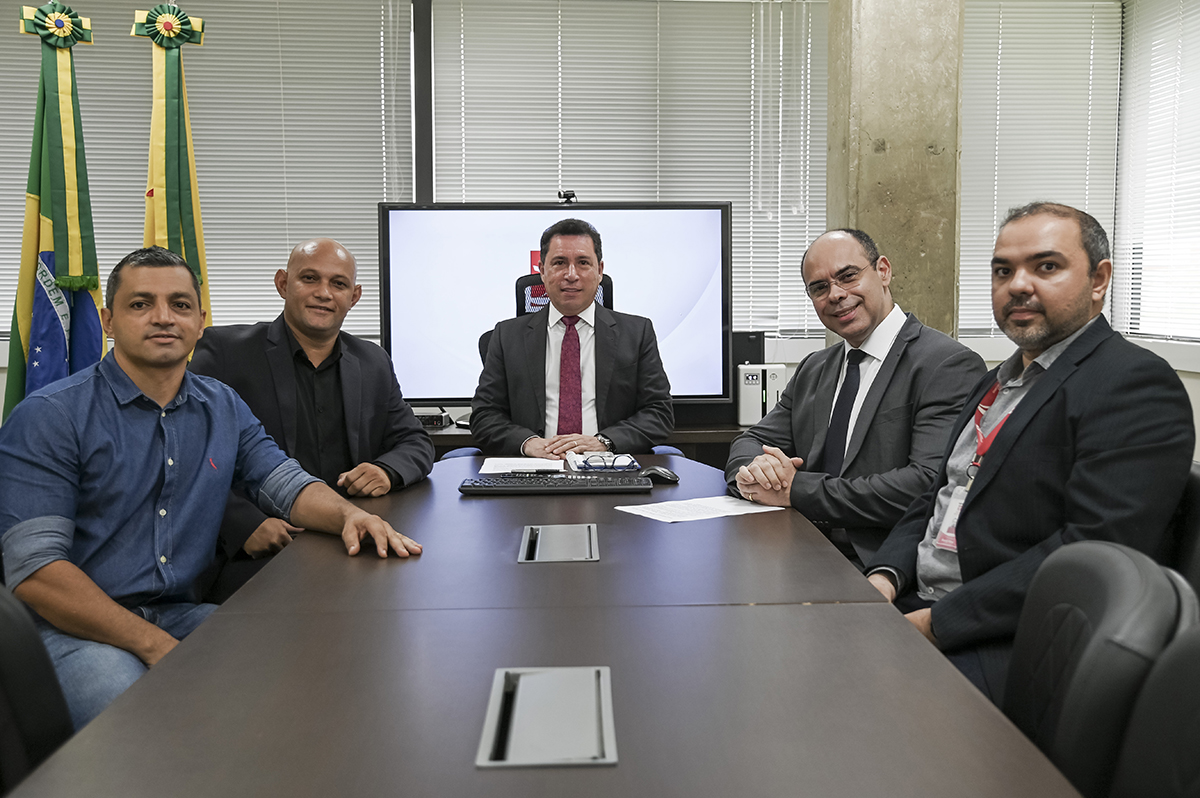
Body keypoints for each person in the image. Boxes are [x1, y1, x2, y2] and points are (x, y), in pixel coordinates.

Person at [0, 247, 422, 729]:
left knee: (312, 678)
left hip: (181, 612)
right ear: (108, 320)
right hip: (77, 629)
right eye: (141, 304)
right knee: (143, 722)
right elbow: (37, 572)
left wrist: (351, 516)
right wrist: (153, 644)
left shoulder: (221, 404)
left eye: (180, 305)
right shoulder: (50, 416)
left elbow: (284, 482)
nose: (163, 318)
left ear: (200, 321)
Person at [864, 202, 1195, 703]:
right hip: (921, 603)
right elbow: (937, 498)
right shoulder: (1000, 379)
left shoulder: (1133, 383)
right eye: (1003, 271)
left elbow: (1092, 548)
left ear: (1099, 280)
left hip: (1012, 640)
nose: (1017, 285)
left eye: (1046, 266)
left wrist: (933, 625)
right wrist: (884, 579)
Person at [189, 238, 433, 598]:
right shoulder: (227, 351)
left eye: (338, 284)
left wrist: (386, 470)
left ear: (354, 296)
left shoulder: (372, 361)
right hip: (262, 547)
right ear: (283, 284)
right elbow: (189, 457)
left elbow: (415, 441)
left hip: (352, 536)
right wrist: (243, 525)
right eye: (309, 279)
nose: (324, 293)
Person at [726, 229, 986, 567]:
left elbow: (925, 483)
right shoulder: (815, 367)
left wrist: (797, 490)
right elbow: (752, 442)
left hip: (883, 564)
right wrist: (755, 472)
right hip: (796, 547)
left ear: (883, 271)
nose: (835, 295)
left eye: (848, 276)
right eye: (819, 288)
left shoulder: (945, 364)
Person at [470, 218, 674, 458]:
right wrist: (528, 444)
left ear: (599, 271)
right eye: (559, 263)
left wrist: (604, 442)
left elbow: (658, 413)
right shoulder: (507, 336)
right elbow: (484, 415)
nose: (571, 274)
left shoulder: (637, 333)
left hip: (608, 465)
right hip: (534, 468)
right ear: (542, 271)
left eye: (583, 263)